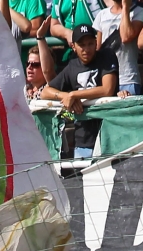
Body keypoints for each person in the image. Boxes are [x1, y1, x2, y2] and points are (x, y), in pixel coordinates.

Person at [41, 24, 118, 159]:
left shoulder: (106, 56)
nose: (86, 49)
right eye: (82, 45)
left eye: (90, 44)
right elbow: (45, 92)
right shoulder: (72, 66)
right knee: (83, 179)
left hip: (109, 136)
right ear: (73, 47)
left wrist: (74, 94)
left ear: (96, 43)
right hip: (83, 139)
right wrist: (65, 96)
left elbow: (108, 89)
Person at [92, 0, 143, 96]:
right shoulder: (102, 14)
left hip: (128, 79)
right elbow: (97, 49)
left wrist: (125, 6)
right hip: (105, 79)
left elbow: (126, 36)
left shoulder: (140, 12)